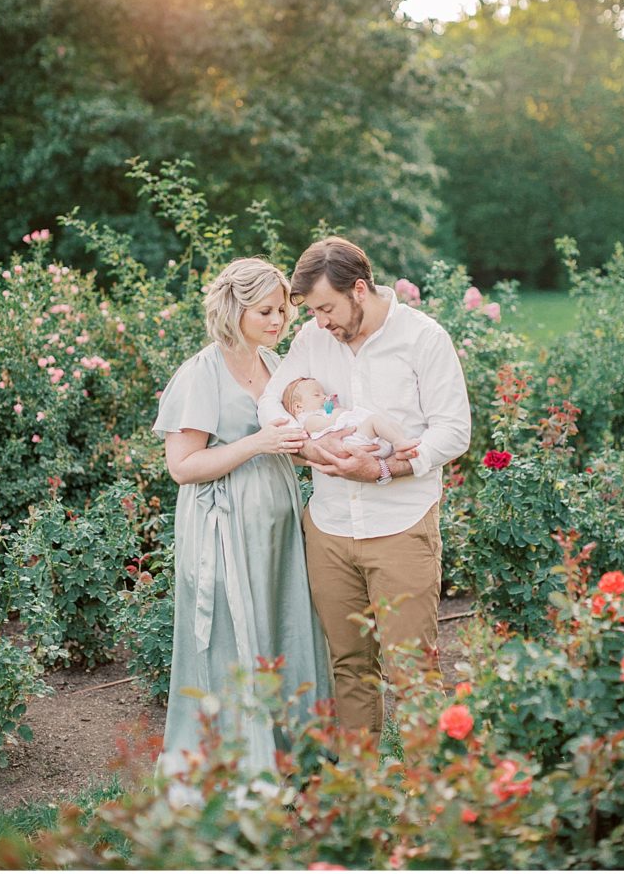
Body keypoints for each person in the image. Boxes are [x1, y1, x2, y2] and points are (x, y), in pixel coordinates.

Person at [257, 237, 471, 747]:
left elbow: (453, 431)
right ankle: (359, 800)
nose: (320, 322)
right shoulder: (313, 340)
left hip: (400, 528)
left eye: (326, 308)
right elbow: (271, 403)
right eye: (311, 311)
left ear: (359, 289)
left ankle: (429, 805)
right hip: (328, 528)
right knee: (349, 668)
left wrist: (380, 469)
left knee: (413, 673)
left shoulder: (423, 339)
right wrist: (312, 450)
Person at [153, 257, 332, 778]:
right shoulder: (201, 373)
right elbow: (182, 467)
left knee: (285, 625)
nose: (278, 321)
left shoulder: (276, 366)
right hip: (224, 529)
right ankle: (239, 762)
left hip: (278, 527)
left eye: (282, 311)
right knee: (235, 636)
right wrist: (259, 442)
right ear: (235, 309)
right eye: (266, 311)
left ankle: (293, 751)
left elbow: (288, 444)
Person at [282, 376, 420, 459]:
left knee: (391, 424)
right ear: (299, 407)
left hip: (361, 439)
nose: (324, 397)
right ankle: (398, 443)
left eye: (324, 393)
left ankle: (400, 447)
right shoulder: (309, 420)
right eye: (317, 395)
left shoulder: (321, 413)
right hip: (354, 442)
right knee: (374, 420)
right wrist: (336, 410)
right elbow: (331, 423)